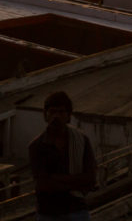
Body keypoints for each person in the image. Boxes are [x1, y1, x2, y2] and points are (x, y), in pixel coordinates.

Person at [28, 90, 96, 221]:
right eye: (52, 112)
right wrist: (76, 183)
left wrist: (56, 178)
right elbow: (43, 184)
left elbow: (90, 178)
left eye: (61, 112)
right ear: (45, 115)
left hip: (77, 210)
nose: (56, 116)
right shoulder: (37, 146)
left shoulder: (81, 141)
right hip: (48, 213)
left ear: (69, 116)